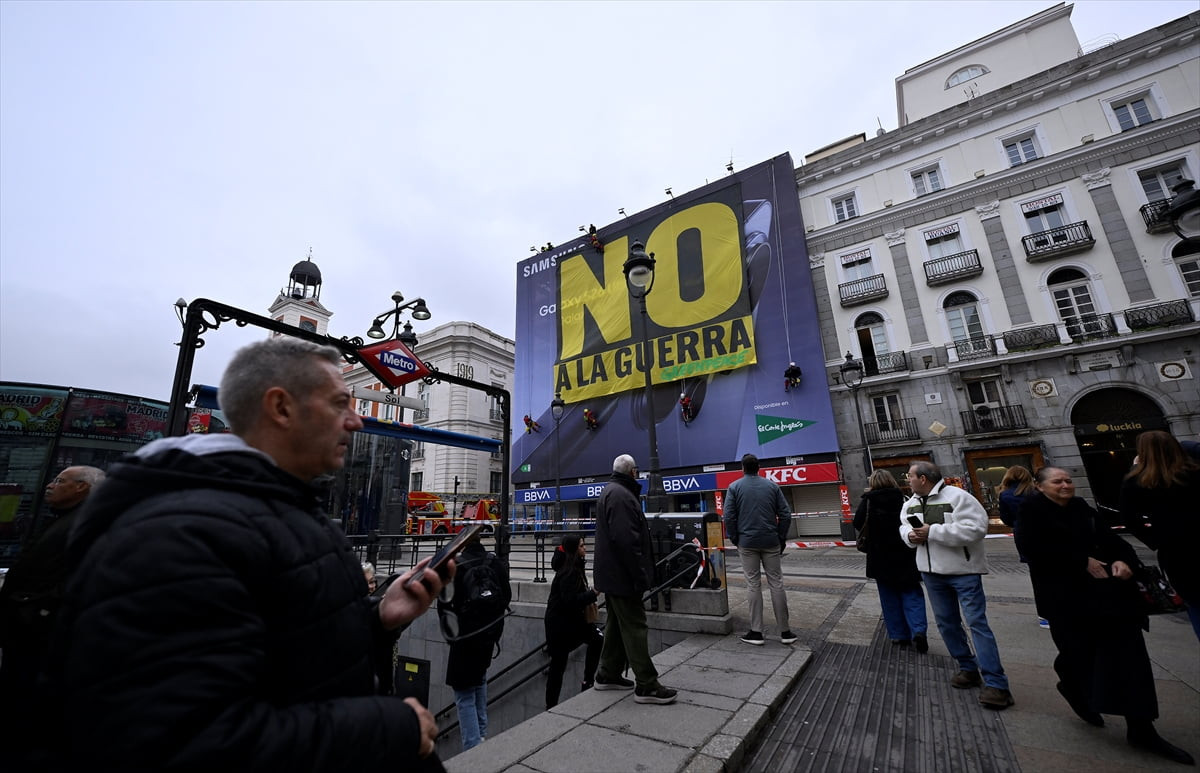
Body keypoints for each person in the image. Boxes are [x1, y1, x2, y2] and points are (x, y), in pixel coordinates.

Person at [42, 337, 448, 771]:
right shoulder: (178, 535)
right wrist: (389, 728)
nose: (357, 422)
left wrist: (375, 619)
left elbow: (281, 651)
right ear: (281, 407)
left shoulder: (280, 506)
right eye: (339, 404)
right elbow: (183, 742)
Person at [1017, 466, 1194, 765]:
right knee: (1078, 656)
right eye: (1057, 481)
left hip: (1109, 598)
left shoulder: (1082, 508)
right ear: (1039, 486)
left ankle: (1141, 727)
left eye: (1068, 480)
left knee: (1131, 657)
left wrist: (1126, 561)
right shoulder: (1031, 512)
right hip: (1065, 600)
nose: (1065, 485)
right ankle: (1071, 684)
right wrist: (1079, 560)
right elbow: (1031, 550)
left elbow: (1112, 541)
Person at [0, 465, 105, 759]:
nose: (50, 485)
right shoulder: (68, 520)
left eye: (60, 481)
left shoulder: (87, 524)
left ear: (82, 487)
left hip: (40, 633)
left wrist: (34, 607)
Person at [901, 461, 1013, 710]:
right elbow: (904, 527)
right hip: (931, 574)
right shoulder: (910, 503)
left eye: (910, 476)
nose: (907, 480)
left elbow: (976, 529)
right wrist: (909, 536)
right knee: (946, 623)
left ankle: (996, 684)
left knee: (977, 624)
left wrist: (933, 532)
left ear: (923, 478)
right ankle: (967, 667)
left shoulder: (960, 497)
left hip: (963, 572)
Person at [592, 453, 678, 705]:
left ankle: (607, 673)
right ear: (632, 472)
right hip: (622, 576)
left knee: (618, 625)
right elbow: (627, 541)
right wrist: (640, 574)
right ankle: (647, 685)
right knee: (635, 626)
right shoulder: (621, 496)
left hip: (613, 575)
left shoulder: (613, 491)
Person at [1119, 431, 1200, 639]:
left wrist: (1157, 539)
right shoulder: (1194, 472)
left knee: (1195, 602)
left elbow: (1129, 518)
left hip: (1177, 551)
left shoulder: (1137, 481)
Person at [444, 535, 510, 751]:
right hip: (488, 636)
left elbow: (445, 607)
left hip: (464, 639)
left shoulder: (457, 567)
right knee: (480, 680)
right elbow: (506, 597)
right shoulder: (495, 563)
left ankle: (472, 749)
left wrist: (451, 635)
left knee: (463, 694)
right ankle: (481, 736)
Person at [724, 453, 796, 646]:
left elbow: (728, 516)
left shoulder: (734, 487)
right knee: (776, 583)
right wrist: (780, 536)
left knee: (753, 584)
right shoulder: (772, 486)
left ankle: (756, 632)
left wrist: (735, 537)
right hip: (771, 541)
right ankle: (785, 631)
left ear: (742, 468)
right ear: (759, 468)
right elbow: (785, 514)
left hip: (747, 543)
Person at [853, 469, 927, 651]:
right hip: (905, 554)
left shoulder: (868, 501)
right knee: (912, 593)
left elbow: (857, 523)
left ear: (873, 483)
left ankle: (898, 636)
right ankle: (918, 631)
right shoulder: (904, 499)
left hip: (880, 556)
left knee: (889, 597)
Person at [543, 534, 603, 709]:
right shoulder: (569, 572)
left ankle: (586, 682)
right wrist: (593, 594)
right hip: (561, 624)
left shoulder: (573, 566)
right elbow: (569, 600)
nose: (585, 548)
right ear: (575, 550)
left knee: (595, 639)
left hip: (568, 620)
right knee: (558, 665)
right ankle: (552, 704)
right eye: (582, 546)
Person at [995, 465, 1045, 626]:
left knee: (1037, 576)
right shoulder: (1037, 492)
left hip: (1024, 536)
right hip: (1046, 533)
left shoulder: (1005, 494)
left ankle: (1044, 615)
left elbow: (1006, 518)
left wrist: (1017, 524)